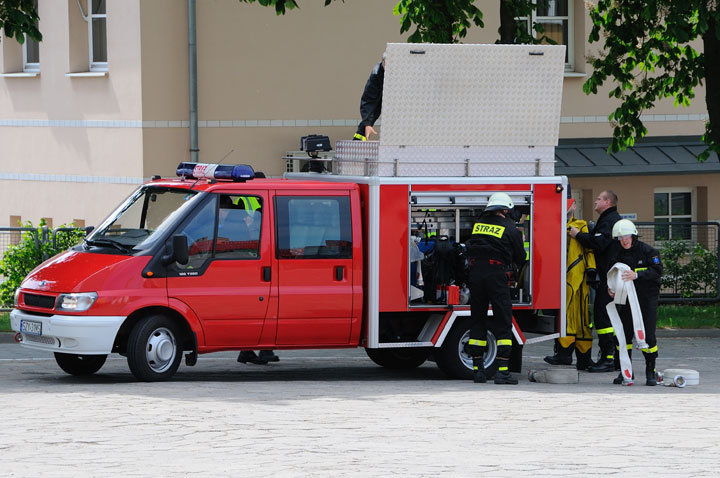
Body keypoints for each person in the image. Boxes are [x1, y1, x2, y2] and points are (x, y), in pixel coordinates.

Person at [464, 192, 526, 385]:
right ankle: (502, 372)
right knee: (503, 322)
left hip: (475, 274)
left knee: (478, 320)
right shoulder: (511, 228)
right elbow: (521, 258)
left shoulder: (478, 225)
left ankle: (478, 372)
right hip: (497, 275)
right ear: (505, 210)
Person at [568, 190, 621, 373]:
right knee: (607, 317)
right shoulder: (609, 219)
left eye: (598, 199)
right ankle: (612, 358)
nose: (596, 202)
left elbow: (599, 243)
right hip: (609, 276)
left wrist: (578, 235)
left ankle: (608, 359)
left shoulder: (609, 220)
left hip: (609, 277)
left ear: (607, 202)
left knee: (603, 317)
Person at [606, 219, 662, 386]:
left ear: (633, 235)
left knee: (648, 336)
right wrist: (611, 287)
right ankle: (625, 371)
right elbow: (611, 272)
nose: (624, 240)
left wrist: (636, 275)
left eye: (627, 236)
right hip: (625, 300)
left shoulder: (648, 251)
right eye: (620, 237)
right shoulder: (616, 252)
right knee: (623, 336)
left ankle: (650, 371)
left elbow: (657, 271)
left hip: (646, 300)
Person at [544, 199, 597, 370]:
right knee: (568, 317)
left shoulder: (580, 226)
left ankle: (581, 358)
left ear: (574, 206)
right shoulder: (554, 225)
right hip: (563, 278)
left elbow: (589, 249)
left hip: (576, 278)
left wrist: (591, 269)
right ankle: (566, 356)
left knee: (579, 318)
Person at [353, 54, 385, 141]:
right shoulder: (377, 73)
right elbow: (369, 100)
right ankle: (359, 139)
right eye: (386, 64)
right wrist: (367, 124)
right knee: (371, 113)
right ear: (383, 62)